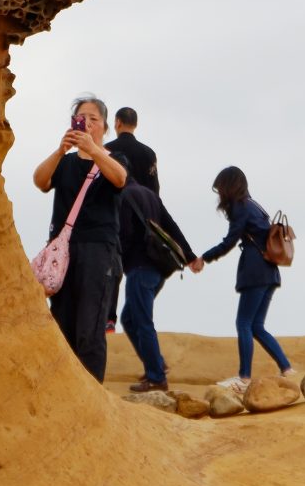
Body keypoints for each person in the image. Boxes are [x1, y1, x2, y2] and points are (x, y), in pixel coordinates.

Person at [33, 95, 128, 382]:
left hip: (99, 250)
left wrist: (94, 150)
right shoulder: (65, 163)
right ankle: (66, 386)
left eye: (94, 119)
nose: (87, 123)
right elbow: (40, 181)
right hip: (64, 252)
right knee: (62, 322)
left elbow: (120, 178)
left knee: (91, 324)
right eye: (81, 118)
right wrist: (61, 150)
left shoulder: (113, 160)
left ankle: (92, 392)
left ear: (105, 127)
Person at [189, 166, 292, 393]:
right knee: (256, 325)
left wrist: (203, 258)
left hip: (255, 269)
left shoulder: (240, 207)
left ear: (228, 187)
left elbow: (229, 241)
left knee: (244, 323)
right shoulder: (255, 205)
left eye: (220, 189)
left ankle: (244, 378)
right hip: (270, 270)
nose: (219, 195)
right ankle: (286, 368)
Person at [120, 177, 198, 393]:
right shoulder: (150, 194)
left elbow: (124, 235)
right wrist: (189, 256)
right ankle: (156, 362)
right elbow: (171, 225)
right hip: (159, 269)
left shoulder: (124, 195)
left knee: (142, 321)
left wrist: (116, 260)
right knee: (129, 318)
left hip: (140, 267)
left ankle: (156, 378)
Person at [104, 107, 159, 332]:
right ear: (135, 124)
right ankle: (141, 320)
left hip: (114, 215)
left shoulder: (107, 151)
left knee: (113, 268)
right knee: (139, 269)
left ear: (117, 123)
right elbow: (155, 191)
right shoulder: (148, 153)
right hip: (143, 221)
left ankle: (109, 318)